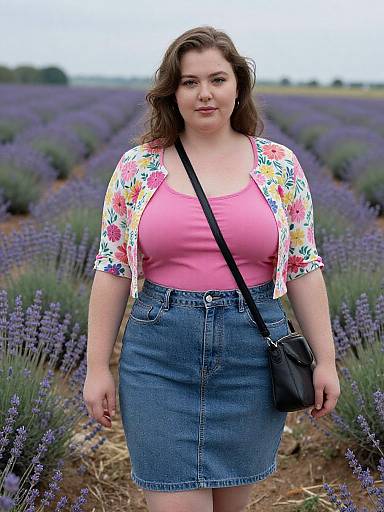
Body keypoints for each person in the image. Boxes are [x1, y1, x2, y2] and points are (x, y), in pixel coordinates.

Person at [84, 25, 340, 512]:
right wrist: (97, 367)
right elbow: (112, 266)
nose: (204, 93)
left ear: (238, 85)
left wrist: (325, 360)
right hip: (159, 357)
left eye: (217, 79)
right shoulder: (138, 167)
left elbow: (305, 266)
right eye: (189, 82)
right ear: (171, 92)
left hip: (252, 355)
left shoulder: (278, 166)